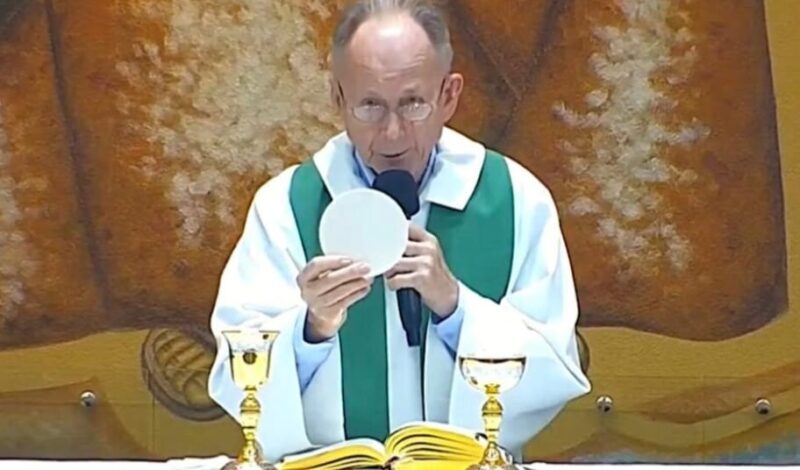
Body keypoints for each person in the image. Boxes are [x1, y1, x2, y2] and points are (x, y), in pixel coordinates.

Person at [208, 0, 590, 463]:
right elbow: (236, 372)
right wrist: (311, 328)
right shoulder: (286, 207)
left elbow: (555, 365)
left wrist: (455, 307)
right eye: (370, 105)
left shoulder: (515, 200)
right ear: (338, 99)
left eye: (413, 104)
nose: (392, 134)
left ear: (448, 96)